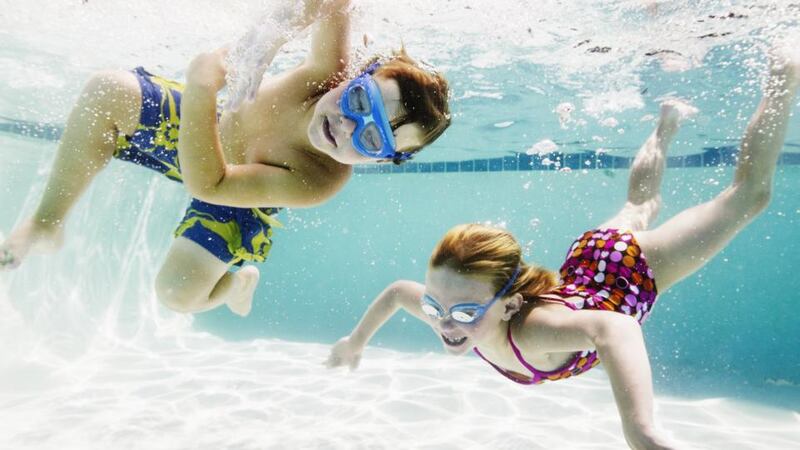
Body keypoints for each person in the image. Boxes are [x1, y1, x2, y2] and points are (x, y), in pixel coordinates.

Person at [326, 47, 799, 449]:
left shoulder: (532, 332)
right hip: (589, 262)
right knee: (638, 205)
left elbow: (615, 329)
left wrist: (640, 429)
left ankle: (784, 73)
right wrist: (354, 342)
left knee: (747, 198)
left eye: (466, 313)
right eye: (435, 305)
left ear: (512, 304)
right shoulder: (449, 310)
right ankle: (665, 124)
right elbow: (395, 293)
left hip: (628, 274)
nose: (444, 323)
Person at [0, 0, 451, 317]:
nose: (346, 125)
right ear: (354, 76)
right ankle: (46, 222)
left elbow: (211, 184)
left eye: (370, 139)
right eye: (357, 99)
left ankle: (235, 285)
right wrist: (266, 40)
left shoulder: (321, 180)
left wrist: (200, 87)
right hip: (213, 124)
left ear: (381, 161)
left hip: (234, 197)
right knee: (108, 89)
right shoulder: (322, 74)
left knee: (176, 293)